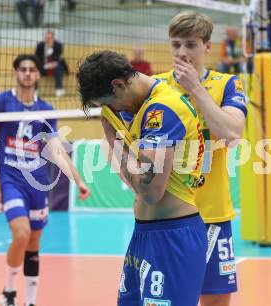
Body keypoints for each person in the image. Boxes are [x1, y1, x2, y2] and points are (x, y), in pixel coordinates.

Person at [76, 50, 207, 306]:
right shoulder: (137, 108)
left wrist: (114, 140)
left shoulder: (163, 110)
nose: (109, 110)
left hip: (174, 237)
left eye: (106, 102)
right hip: (144, 234)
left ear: (118, 84)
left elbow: (150, 192)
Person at [152, 11, 247, 306]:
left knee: (215, 301)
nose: (181, 52)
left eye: (190, 44)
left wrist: (195, 87)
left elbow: (232, 133)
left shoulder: (228, 84)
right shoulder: (154, 87)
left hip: (213, 217)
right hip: (167, 220)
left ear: (207, 46)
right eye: (176, 44)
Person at [0, 54, 90, 306]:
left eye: (32, 69)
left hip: (37, 183)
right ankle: (9, 291)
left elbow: (56, 149)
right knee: (21, 234)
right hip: (10, 179)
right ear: (16, 73)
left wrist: (78, 179)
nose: (28, 73)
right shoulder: (0, 102)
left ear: (38, 75)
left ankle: (30, 301)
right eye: (23, 69)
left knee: (33, 243)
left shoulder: (46, 109)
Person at [35, 30, 66, 97]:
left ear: (53, 38)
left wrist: (50, 50)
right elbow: (36, 58)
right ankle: (35, 90)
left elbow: (58, 57)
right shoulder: (40, 45)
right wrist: (45, 65)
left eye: (49, 38)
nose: (47, 40)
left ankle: (59, 90)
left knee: (58, 68)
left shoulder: (58, 45)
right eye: (46, 38)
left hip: (55, 66)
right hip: (43, 67)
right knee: (34, 70)